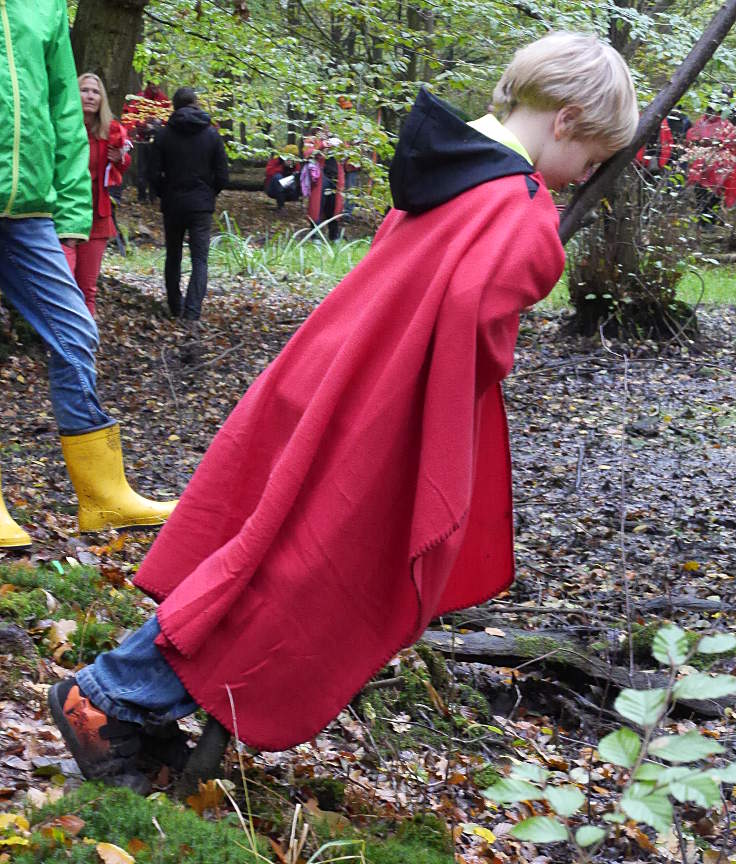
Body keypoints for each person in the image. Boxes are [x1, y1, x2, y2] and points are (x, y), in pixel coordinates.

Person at [49, 32, 638, 794]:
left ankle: (126, 707)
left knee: (265, 557)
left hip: (330, 383)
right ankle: (107, 697)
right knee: (285, 576)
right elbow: (474, 317)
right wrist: (535, 264)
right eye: (591, 159)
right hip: (375, 418)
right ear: (564, 119)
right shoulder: (514, 206)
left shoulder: (449, 169)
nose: (584, 175)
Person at [0, 0, 178, 551]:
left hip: (29, 210)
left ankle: (102, 495)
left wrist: (74, 212)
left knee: (75, 331)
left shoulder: (43, 5)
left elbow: (62, 110)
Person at [149, 87, 229, 326]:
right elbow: (223, 175)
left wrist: (165, 192)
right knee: (200, 260)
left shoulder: (163, 135)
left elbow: (152, 174)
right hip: (201, 206)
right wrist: (208, 193)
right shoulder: (212, 135)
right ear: (195, 103)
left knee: (173, 256)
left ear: (174, 106)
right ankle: (192, 312)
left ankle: (175, 306)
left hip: (173, 204)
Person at [61, 74, 131, 317]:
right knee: (62, 286)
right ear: (74, 93)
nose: (90, 96)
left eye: (95, 91)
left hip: (96, 217)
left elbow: (121, 166)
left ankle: (85, 347)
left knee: (87, 289)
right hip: (64, 215)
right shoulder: (63, 126)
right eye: (84, 90)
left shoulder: (110, 130)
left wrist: (119, 159)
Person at [122, 83, 171, 203]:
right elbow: (131, 115)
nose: (155, 87)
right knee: (142, 169)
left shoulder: (163, 100)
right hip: (142, 140)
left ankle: (153, 196)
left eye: (157, 85)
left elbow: (168, 119)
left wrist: (158, 125)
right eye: (152, 85)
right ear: (148, 85)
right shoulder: (140, 98)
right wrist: (143, 124)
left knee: (155, 168)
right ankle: (142, 196)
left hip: (157, 141)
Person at [301, 129, 345, 240]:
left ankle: (334, 237)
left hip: (336, 177)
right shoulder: (312, 138)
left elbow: (350, 157)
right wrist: (324, 144)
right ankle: (315, 237)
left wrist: (342, 147)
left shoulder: (341, 135)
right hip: (320, 177)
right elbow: (307, 154)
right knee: (317, 207)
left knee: (334, 207)